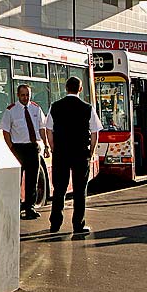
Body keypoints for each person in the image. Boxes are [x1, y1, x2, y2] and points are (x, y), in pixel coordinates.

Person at [45, 76, 103, 235]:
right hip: (80, 153)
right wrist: (90, 152)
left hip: (61, 153)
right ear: (80, 89)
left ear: (66, 88)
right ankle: (78, 224)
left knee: (59, 189)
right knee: (79, 190)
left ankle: (55, 224)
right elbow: (95, 133)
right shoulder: (87, 108)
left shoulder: (55, 107)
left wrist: (53, 147)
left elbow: (48, 129)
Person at [0, 83, 49, 219]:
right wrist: (11, 148)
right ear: (18, 95)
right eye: (23, 95)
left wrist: (46, 146)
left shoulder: (36, 109)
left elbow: (41, 128)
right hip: (18, 148)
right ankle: (15, 208)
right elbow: (6, 131)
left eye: (27, 95)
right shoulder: (11, 110)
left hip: (33, 148)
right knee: (16, 180)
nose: (25, 97)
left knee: (32, 179)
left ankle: (30, 208)